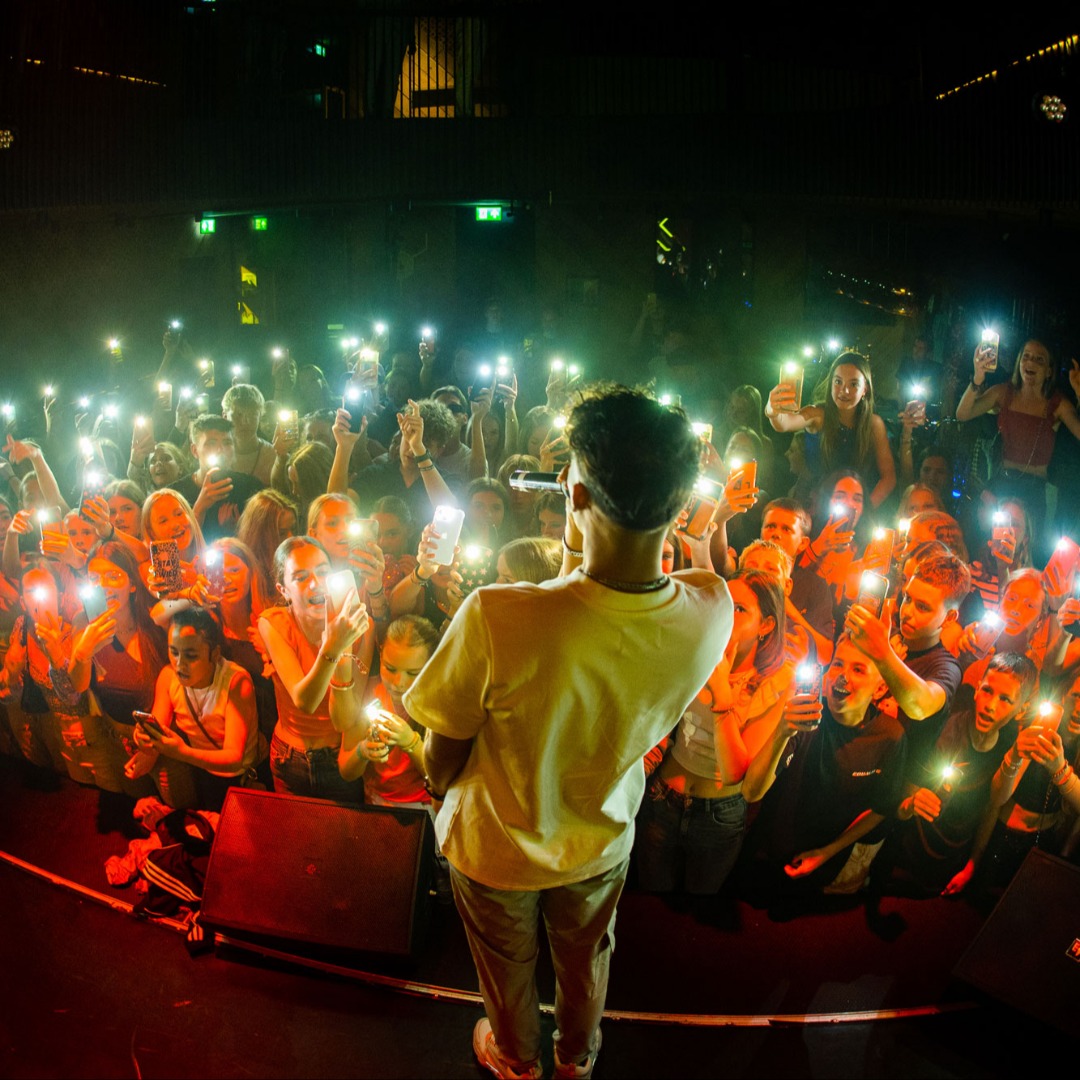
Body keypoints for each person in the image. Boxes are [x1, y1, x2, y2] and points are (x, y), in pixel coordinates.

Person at [405, 387, 733, 1080]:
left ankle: (518, 1060)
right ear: (679, 504)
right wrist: (580, 534)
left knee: (507, 968)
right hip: (600, 838)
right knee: (587, 960)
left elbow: (440, 759)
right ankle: (577, 1059)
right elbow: (597, 611)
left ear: (575, 492)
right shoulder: (711, 609)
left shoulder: (496, 616)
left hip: (495, 848)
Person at [635, 569, 790, 895]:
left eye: (739, 609)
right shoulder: (693, 652)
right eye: (721, 604)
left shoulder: (776, 682)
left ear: (766, 625)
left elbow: (736, 771)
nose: (725, 614)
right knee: (652, 894)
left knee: (699, 900)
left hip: (717, 816)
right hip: (663, 799)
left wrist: (722, 694)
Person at [257, 537, 369, 801]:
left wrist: (343, 647)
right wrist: (332, 647)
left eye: (322, 572)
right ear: (283, 590)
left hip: (337, 757)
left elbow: (345, 720)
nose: (315, 583)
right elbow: (304, 700)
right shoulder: (273, 623)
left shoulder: (362, 625)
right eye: (300, 577)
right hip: (288, 758)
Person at [132, 607, 266, 811]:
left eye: (191, 655)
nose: (179, 664)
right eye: (173, 652)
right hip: (203, 771)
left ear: (214, 654)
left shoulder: (236, 682)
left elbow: (234, 758)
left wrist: (183, 752)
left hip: (243, 776)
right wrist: (143, 738)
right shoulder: (168, 677)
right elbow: (158, 725)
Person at [955, 337, 1080, 539]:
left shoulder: (1057, 403)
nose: (1030, 363)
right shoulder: (1004, 393)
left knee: (1027, 553)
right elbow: (962, 414)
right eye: (1026, 357)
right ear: (1019, 362)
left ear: (1049, 370)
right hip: (1001, 484)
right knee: (992, 547)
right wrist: (978, 376)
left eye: (1039, 360)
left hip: (1034, 491)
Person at [766, 351, 896, 508]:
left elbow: (888, 478)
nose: (844, 390)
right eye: (838, 382)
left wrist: (864, 509)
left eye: (853, 384)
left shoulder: (873, 424)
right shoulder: (818, 415)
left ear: (865, 389)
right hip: (816, 506)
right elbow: (783, 424)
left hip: (856, 508)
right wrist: (772, 410)